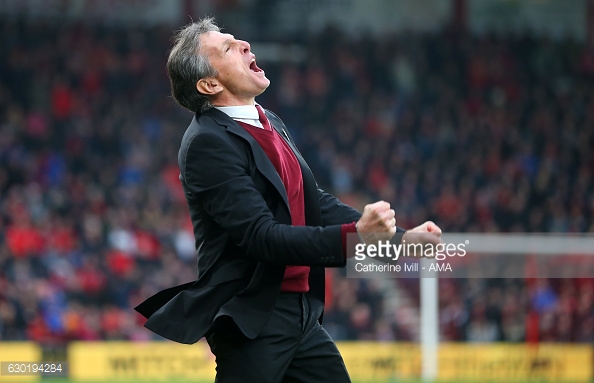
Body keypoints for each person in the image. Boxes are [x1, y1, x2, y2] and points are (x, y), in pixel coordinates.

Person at [135, 16, 442, 383]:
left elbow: (313, 203)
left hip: (301, 314)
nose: (245, 45)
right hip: (254, 319)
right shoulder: (207, 143)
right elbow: (264, 237)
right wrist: (356, 236)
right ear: (210, 83)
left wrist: (399, 241)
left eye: (237, 39)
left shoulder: (268, 120)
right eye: (228, 48)